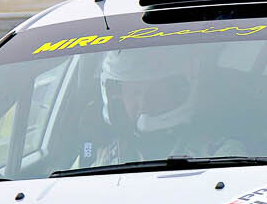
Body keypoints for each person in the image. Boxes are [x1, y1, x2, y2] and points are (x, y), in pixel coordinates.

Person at [93, 43, 239, 164]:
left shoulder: (222, 154)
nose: (142, 103)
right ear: (120, 96)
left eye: (155, 91)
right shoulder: (107, 158)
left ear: (176, 91)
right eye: (134, 92)